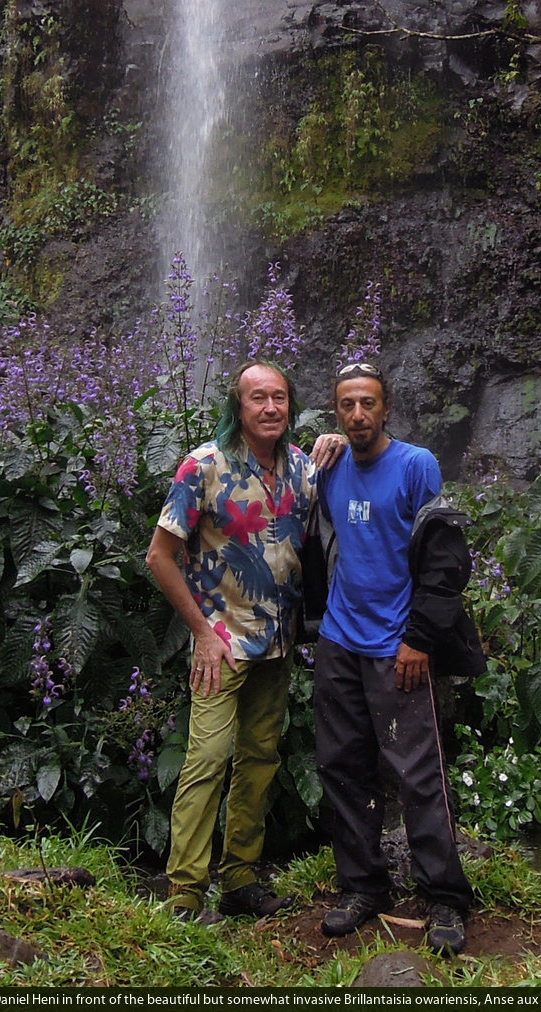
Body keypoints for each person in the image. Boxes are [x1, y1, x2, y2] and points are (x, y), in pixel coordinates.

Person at [302, 359, 487, 957]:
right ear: (336, 412)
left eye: (368, 403)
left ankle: (445, 898)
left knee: (418, 773)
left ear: (386, 409)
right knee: (342, 766)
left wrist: (420, 639)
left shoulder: (415, 465)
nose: (358, 414)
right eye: (347, 405)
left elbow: (445, 559)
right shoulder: (328, 466)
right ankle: (363, 887)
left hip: (397, 647)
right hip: (339, 641)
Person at [144, 360, 321, 922]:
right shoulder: (203, 466)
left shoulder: (303, 468)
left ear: (290, 405)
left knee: (260, 759)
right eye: (257, 398)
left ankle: (241, 878)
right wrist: (201, 632)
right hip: (220, 645)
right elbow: (159, 556)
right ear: (238, 408)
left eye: (279, 398)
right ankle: (185, 894)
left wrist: (337, 442)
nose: (270, 408)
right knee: (207, 760)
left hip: (278, 644)